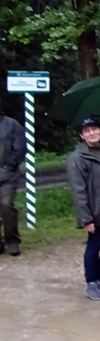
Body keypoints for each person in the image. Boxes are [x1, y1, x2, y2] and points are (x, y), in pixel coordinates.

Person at [67, 118, 100, 300]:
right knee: (94, 244)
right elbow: (78, 190)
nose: (92, 133)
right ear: (82, 135)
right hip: (94, 210)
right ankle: (92, 282)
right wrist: (86, 218)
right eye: (87, 131)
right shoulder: (77, 158)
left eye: (95, 129)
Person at [0, 105, 27, 256]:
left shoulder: (11, 125)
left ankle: (12, 240)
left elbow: (21, 148)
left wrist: (9, 165)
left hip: (7, 175)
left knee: (6, 206)